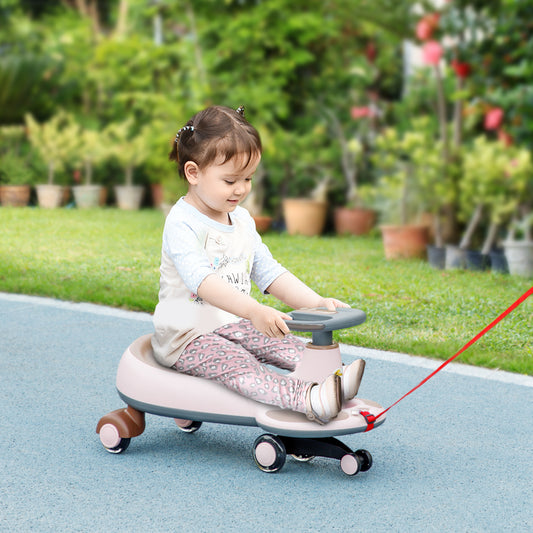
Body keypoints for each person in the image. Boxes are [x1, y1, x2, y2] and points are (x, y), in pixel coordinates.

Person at [151, 105, 365, 424]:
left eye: (248, 178)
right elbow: (202, 282)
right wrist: (254, 310)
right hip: (186, 336)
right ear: (193, 173)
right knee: (239, 362)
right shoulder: (182, 223)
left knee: (283, 343)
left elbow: (268, 270)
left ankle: (330, 381)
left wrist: (316, 303)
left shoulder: (240, 219)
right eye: (230, 180)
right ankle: (306, 398)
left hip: (230, 323)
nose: (241, 189)